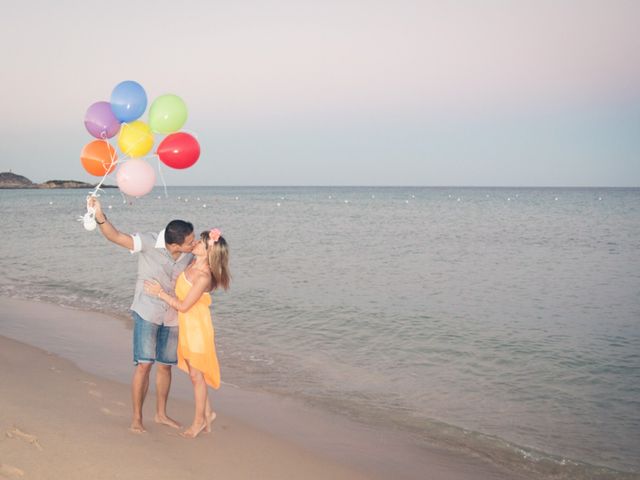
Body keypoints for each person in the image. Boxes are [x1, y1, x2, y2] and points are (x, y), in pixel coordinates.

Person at [88, 196, 196, 433]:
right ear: (175, 244)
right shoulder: (148, 242)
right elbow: (115, 236)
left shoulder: (190, 254)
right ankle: (137, 417)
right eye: (190, 241)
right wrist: (99, 214)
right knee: (144, 366)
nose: (194, 243)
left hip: (173, 316)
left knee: (165, 366)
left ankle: (161, 414)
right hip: (147, 312)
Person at [144, 228, 230, 438]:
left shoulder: (203, 277)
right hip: (188, 326)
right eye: (199, 241)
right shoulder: (192, 262)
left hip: (197, 328)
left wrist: (160, 293)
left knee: (196, 376)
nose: (197, 245)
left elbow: (183, 306)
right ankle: (208, 413)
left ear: (210, 252)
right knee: (196, 374)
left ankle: (199, 421)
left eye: (202, 243)